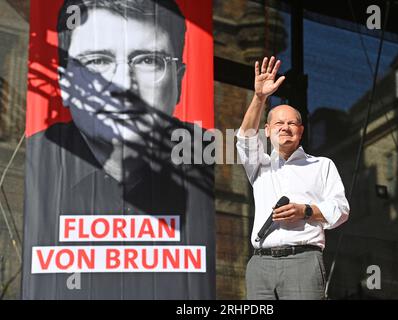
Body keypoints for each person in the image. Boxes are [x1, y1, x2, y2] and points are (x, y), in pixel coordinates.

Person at [22, 0, 215, 299]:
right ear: (64, 82)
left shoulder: (207, 157)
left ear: (179, 80)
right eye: (97, 61)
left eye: (148, 60)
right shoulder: (31, 164)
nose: (123, 84)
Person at [236, 56, 350, 300]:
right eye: (278, 123)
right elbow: (244, 138)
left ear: (300, 132)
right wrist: (259, 98)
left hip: (303, 259)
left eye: (291, 123)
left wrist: (305, 211)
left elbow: (341, 210)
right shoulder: (260, 164)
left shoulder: (321, 165)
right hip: (261, 264)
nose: (285, 127)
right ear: (267, 131)